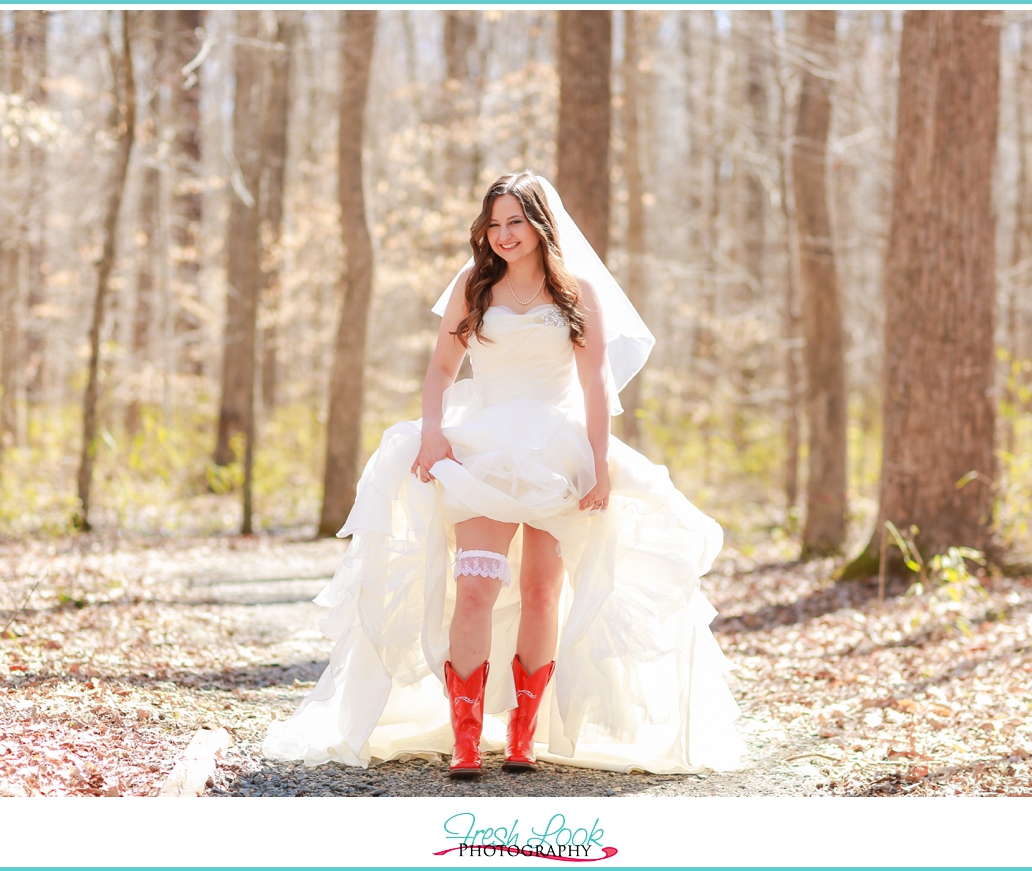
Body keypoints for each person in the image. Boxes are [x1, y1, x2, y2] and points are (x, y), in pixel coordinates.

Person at [263, 171, 743, 777]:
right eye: (494, 223)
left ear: (541, 225)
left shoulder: (577, 292)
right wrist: (433, 430)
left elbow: (595, 384)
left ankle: (522, 734)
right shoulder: (474, 286)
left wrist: (600, 464)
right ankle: (466, 738)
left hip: (558, 454)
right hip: (484, 450)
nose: (504, 234)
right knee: (476, 588)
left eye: (516, 221)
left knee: (544, 592)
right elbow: (441, 369)